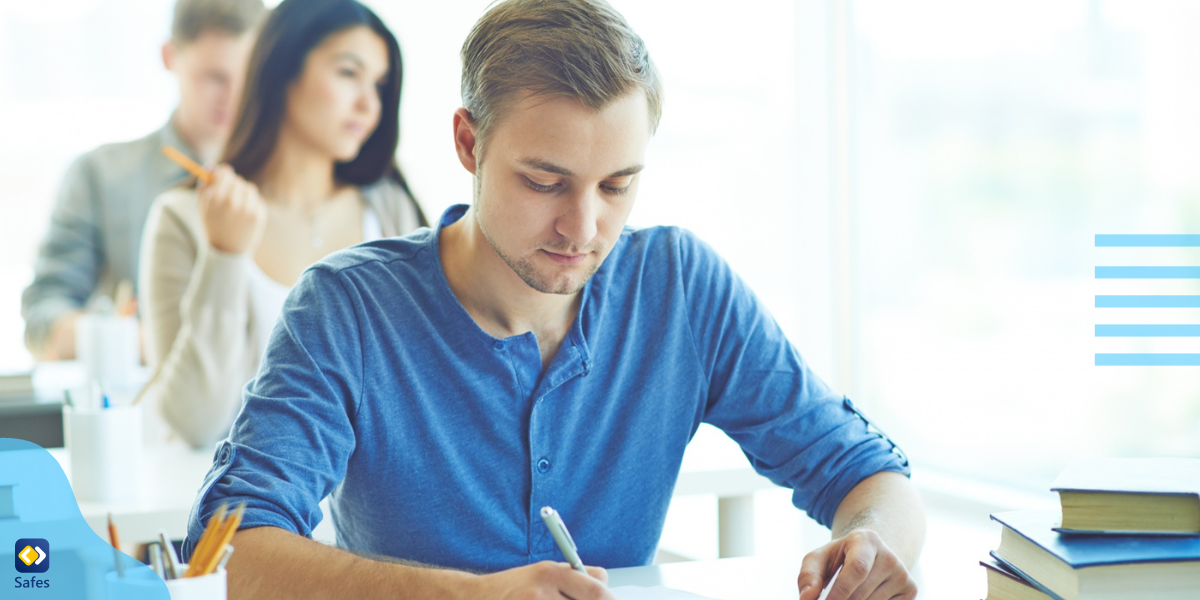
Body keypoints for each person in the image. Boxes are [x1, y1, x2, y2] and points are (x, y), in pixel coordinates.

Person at [184, 1, 925, 599]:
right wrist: (472, 598)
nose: (583, 228)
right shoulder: (347, 307)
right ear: (469, 144)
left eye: (617, 186)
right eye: (544, 182)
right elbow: (229, 552)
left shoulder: (681, 287)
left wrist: (873, 546)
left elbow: (869, 475)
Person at [138, 0, 426, 449]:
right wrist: (225, 256)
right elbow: (196, 422)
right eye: (349, 73)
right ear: (282, 69)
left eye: (380, 85)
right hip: (231, 511)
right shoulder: (185, 217)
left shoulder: (391, 211)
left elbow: (411, 399)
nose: (369, 103)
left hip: (361, 511)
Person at [20, 0, 265, 361]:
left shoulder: (291, 181)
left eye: (247, 77)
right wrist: (144, 342)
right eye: (213, 77)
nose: (232, 97)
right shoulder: (99, 176)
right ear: (169, 56)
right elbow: (43, 319)